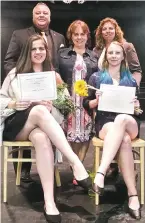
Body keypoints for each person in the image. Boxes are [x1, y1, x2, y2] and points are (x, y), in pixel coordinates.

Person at [1, 34, 92, 223]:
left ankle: (49, 202)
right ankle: (75, 162)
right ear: (28, 51)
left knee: (42, 137)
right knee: (40, 110)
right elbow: (1, 99)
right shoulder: (16, 73)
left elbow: (67, 105)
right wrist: (13, 103)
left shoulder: (53, 76)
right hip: (18, 125)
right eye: (34, 49)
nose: (38, 52)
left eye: (41, 48)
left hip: (41, 124)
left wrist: (55, 104)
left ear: (46, 51)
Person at [4, 2, 66, 182]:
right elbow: (9, 61)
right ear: (33, 16)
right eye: (38, 13)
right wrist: (24, 81)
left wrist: (57, 86)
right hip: (24, 93)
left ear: (50, 16)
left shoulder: (59, 37)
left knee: (43, 129)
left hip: (49, 94)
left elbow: (58, 66)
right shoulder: (20, 34)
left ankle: (49, 167)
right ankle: (22, 171)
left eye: (45, 13)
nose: (41, 15)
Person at [83, 41, 141, 220]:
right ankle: (133, 196)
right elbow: (87, 104)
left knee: (122, 118)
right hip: (105, 122)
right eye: (111, 53)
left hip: (129, 121)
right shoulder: (96, 78)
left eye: (117, 53)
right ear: (105, 56)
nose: (114, 56)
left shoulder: (131, 79)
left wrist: (137, 105)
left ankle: (100, 172)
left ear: (123, 56)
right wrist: (95, 102)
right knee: (123, 140)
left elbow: (137, 109)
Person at [93, 17, 142, 177]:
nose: (107, 31)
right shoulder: (97, 50)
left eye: (110, 28)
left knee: (121, 120)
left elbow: (136, 70)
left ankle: (103, 170)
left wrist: (130, 91)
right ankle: (128, 184)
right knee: (124, 139)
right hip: (105, 104)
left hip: (124, 97)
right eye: (104, 29)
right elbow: (96, 76)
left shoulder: (127, 46)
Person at [58, 20, 98, 185]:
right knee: (71, 135)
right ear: (71, 36)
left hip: (87, 101)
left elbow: (97, 80)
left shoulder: (94, 56)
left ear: (87, 36)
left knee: (86, 133)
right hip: (69, 99)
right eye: (76, 34)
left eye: (83, 34)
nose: (79, 37)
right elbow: (55, 73)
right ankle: (77, 168)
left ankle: (78, 168)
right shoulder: (62, 55)